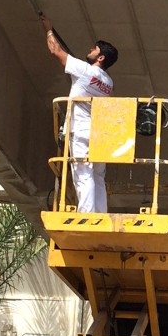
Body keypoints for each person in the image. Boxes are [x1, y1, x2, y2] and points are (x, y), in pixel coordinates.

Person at [41, 14, 118, 213]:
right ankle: (99, 215)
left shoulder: (85, 71)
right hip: (99, 134)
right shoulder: (108, 83)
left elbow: (55, 51)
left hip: (81, 130)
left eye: (94, 49)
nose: (90, 50)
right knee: (98, 175)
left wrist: (48, 28)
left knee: (82, 173)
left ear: (100, 58)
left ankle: (87, 217)